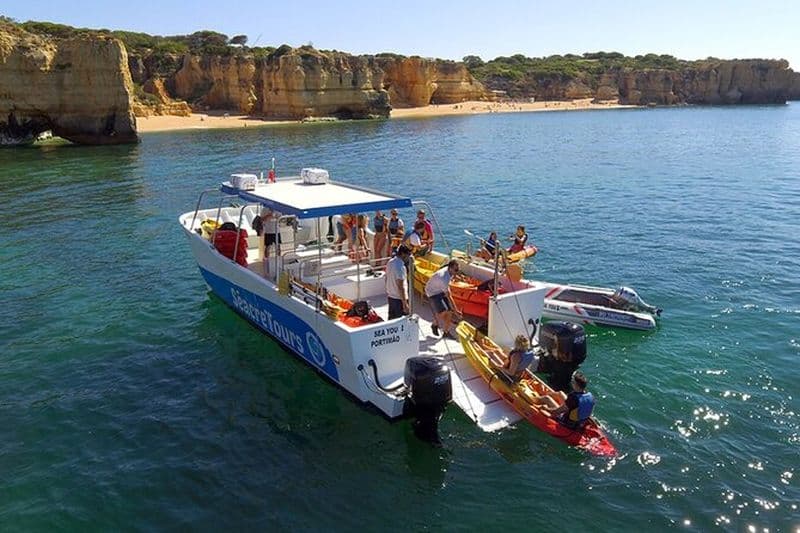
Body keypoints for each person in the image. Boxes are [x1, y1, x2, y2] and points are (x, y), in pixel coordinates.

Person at [424, 260, 462, 339]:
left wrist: (456, 276)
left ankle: (446, 332)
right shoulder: (443, 278)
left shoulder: (449, 271)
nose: (457, 272)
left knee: (449, 311)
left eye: (458, 270)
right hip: (432, 292)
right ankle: (434, 324)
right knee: (443, 311)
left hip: (440, 289)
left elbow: (449, 280)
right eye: (456, 270)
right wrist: (456, 311)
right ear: (450, 268)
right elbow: (449, 296)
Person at [385, 244, 411, 319]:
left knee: (391, 319)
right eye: (408, 254)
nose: (408, 257)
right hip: (398, 299)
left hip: (391, 295)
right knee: (400, 321)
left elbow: (386, 278)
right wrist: (405, 304)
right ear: (403, 254)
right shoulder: (401, 267)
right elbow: (400, 286)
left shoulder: (390, 262)